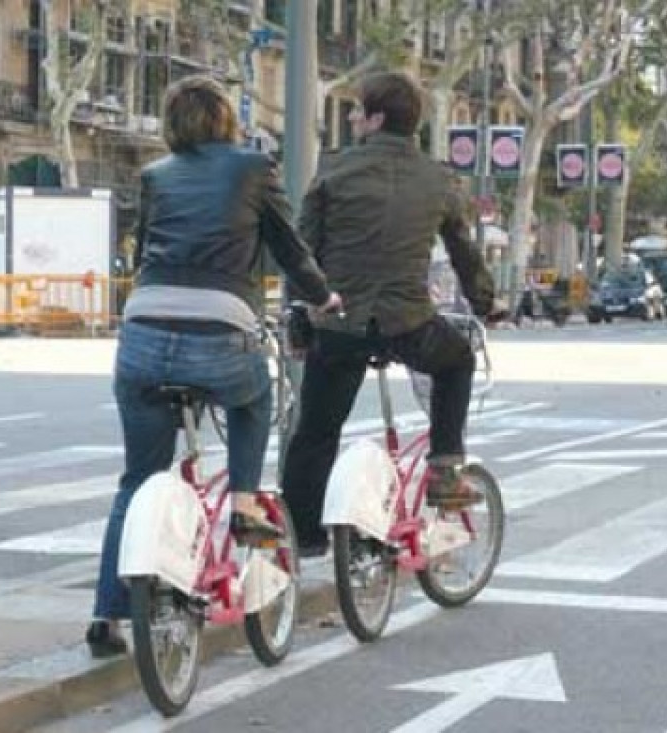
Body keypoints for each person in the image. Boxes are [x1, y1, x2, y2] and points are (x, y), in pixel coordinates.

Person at [86, 76, 341, 658]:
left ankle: (106, 614)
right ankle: (245, 505)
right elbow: (289, 247)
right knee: (254, 398)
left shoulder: (155, 175)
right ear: (227, 120)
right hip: (219, 332)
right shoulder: (253, 168)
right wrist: (323, 297)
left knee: (137, 480)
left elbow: (144, 249)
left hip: (143, 332)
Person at [281, 71, 494, 557]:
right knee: (457, 360)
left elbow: (302, 252)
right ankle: (444, 469)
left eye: (358, 111)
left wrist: (302, 315)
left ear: (376, 120)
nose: (353, 118)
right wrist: (486, 302)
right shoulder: (439, 180)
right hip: (408, 324)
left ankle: (304, 538)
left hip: (339, 323)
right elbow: (463, 252)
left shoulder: (333, 170)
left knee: (315, 430)